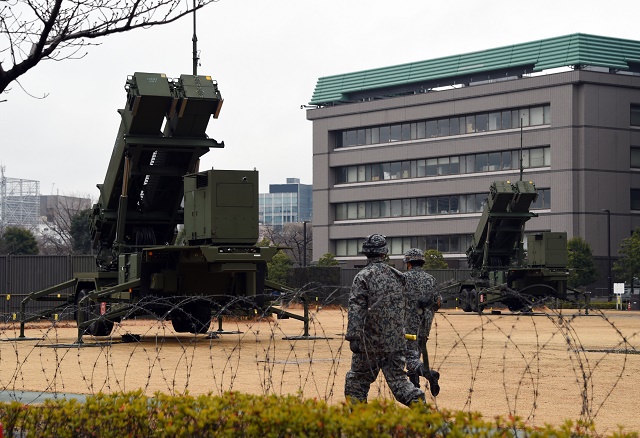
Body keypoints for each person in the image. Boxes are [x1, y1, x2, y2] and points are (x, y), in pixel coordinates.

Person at [344, 234, 426, 406]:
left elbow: (356, 307)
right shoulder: (398, 276)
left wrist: (353, 337)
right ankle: (424, 414)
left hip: (369, 342)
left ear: (366, 253)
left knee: (357, 383)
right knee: (400, 382)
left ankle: (359, 422)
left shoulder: (363, 276)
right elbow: (406, 305)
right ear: (385, 252)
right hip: (394, 341)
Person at [403, 248, 441, 396]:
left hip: (409, 323)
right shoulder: (430, 279)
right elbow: (438, 302)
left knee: (409, 355)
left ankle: (429, 374)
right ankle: (415, 384)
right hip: (426, 322)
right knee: (416, 352)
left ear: (408, 263)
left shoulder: (403, 278)